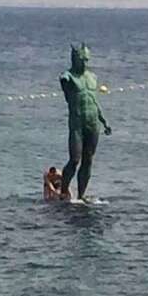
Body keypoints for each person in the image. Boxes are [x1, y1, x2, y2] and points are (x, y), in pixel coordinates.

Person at [59, 43, 112, 201]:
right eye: (82, 60)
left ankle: (81, 196)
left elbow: (94, 101)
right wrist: (64, 78)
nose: (85, 63)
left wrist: (104, 121)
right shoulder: (68, 77)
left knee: (88, 159)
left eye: (86, 60)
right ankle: (63, 191)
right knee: (75, 159)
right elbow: (64, 79)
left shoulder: (93, 77)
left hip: (93, 122)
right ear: (75, 59)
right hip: (77, 124)